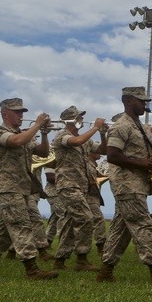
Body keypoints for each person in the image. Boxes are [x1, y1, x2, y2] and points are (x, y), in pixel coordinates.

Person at [96, 87, 152, 285]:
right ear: (128, 101)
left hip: (138, 184)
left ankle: (105, 272)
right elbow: (112, 155)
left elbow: (140, 153)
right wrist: (142, 163)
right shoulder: (121, 126)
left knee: (121, 230)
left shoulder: (139, 126)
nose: (145, 104)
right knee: (143, 225)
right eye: (141, 101)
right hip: (127, 185)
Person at [0, 98, 59, 279]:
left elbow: (44, 153)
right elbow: (15, 141)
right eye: (17, 112)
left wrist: (44, 133)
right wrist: (37, 125)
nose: (21, 115)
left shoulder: (24, 133)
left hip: (22, 187)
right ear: (5, 114)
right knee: (21, 225)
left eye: (22, 112)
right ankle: (32, 269)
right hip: (7, 186)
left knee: (3, 232)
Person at [50, 107, 107, 271]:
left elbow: (103, 150)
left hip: (80, 187)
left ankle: (60, 260)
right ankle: (81, 259)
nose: (81, 120)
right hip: (67, 185)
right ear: (68, 120)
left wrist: (102, 133)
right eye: (78, 118)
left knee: (70, 224)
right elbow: (76, 142)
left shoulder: (85, 140)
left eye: (81, 117)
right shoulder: (62, 136)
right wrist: (95, 127)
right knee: (86, 218)